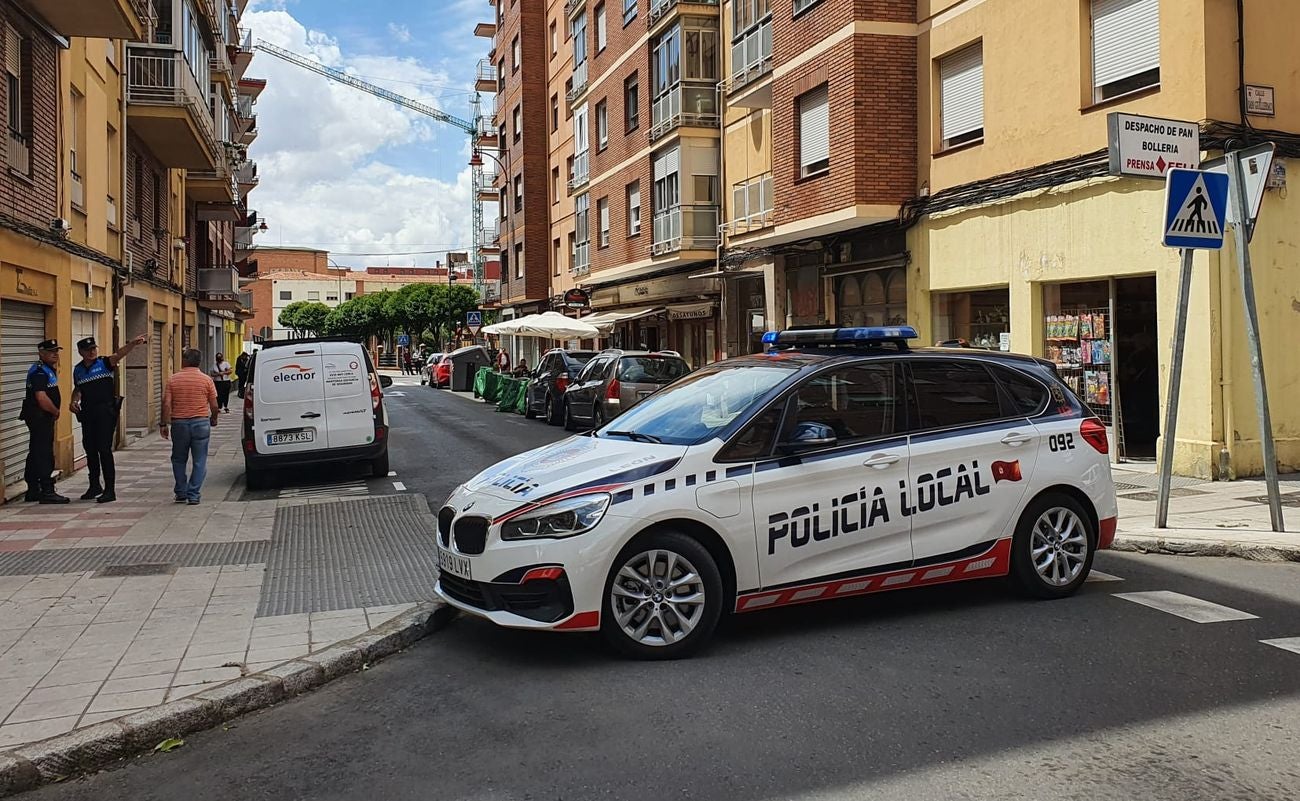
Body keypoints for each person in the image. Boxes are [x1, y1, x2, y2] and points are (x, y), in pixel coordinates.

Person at [71, 333, 147, 504]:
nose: (92, 352)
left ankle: (110, 490)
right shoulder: (78, 370)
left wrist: (132, 344)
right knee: (89, 448)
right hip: (88, 413)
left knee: (104, 449)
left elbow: (119, 354)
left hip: (105, 412)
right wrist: (73, 401)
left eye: (93, 349)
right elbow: (78, 389)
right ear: (81, 352)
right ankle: (94, 485)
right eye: (88, 350)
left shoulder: (104, 363)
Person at [162, 349, 219, 505]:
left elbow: (166, 404)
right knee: (200, 461)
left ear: (184, 360)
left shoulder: (173, 380)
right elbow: (214, 406)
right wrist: (213, 419)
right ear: (199, 362)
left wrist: (163, 423)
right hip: (201, 422)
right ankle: (193, 494)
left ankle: (181, 492)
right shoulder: (207, 380)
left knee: (179, 459)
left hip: (179, 424)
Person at [20, 340, 68, 504]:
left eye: (56, 351)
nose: (55, 354)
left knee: (35, 452)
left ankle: (33, 489)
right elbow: (41, 398)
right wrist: (55, 411)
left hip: (40, 417)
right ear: (41, 353)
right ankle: (47, 491)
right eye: (51, 351)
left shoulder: (46, 369)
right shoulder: (39, 372)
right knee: (43, 453)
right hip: (40, 417)